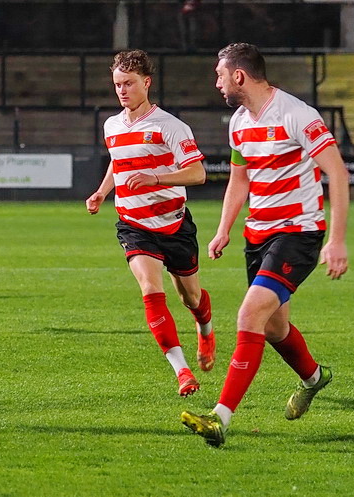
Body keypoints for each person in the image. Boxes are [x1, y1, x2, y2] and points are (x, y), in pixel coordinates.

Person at [181, 43, 349, 447]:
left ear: (239, 75)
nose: (217, 82)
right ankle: (313, 377)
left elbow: (338, 174)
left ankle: (220, 417)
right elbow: (240, 178)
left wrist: (337, 240)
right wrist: (224, 229)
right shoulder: (238, 122)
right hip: (258, 235)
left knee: (250, 314)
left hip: (298, 232)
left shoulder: (297, 115)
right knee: (274, 326)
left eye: (220, 75)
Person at [85, 50, 216, 398]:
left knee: (190, 296)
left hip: (174, 224)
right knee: (150, 289)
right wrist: (101, 192)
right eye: (117, 84)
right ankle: (183, 371)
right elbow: (118, 162)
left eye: (128, 83)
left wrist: (156, 178)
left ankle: (205, 329)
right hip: (133, 224)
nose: (122, 91)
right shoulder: (111, 125)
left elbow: (198, 173)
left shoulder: (170, 126)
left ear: (147, 82)